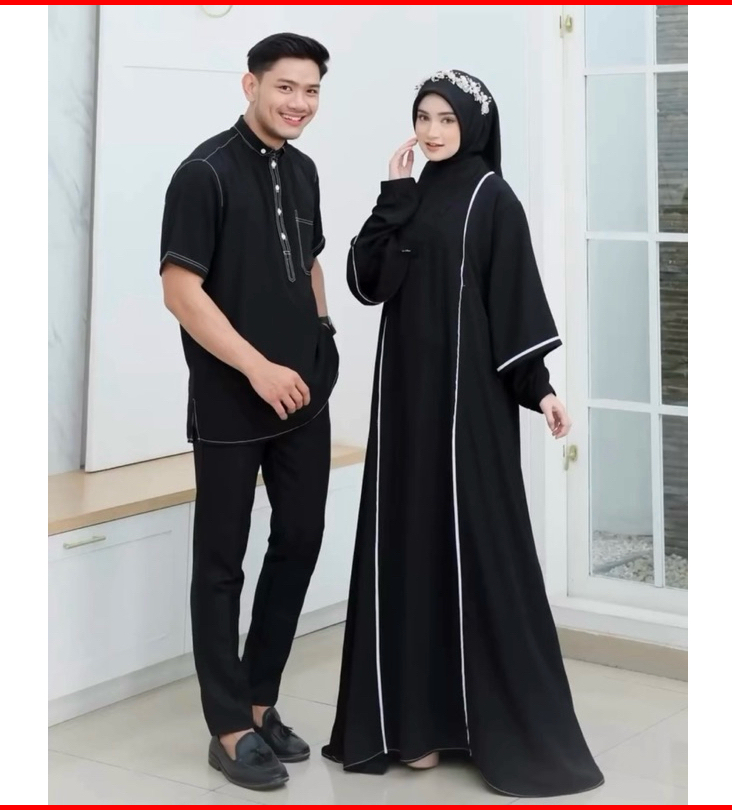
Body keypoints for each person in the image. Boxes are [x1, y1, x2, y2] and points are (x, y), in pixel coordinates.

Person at [322, 70, 604, 798]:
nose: (432, 130)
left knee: (475, 547)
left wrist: (539, 389)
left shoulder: (492, 198)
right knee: (408, 548)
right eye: (423, 116)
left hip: (467, 410)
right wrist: (391, 197)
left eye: (446, 118)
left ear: (474, 124)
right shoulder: (411, 194)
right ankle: (414, 727)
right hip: (404, 407)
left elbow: (513, 303)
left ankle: (483, 725)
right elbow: (366, 283)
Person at [159, 33, 338, 792]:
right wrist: (257, 368)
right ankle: (229, 726)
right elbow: (180, 291)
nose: (299, 103)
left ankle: (261, 700)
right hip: (232, 399)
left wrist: (323, 335)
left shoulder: (304, 170)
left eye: (311, 90)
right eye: (285, 87)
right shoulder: (203, 174)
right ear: (250, 85)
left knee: (300, 539)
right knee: (221, 563)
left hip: (303, 397)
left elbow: (311, 260)